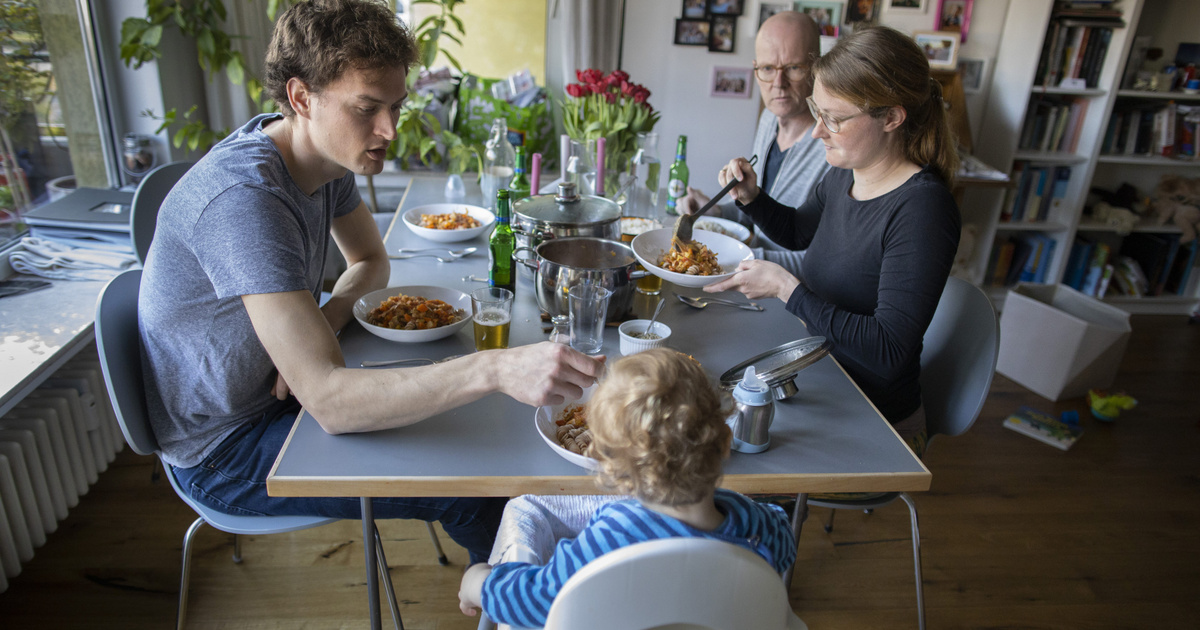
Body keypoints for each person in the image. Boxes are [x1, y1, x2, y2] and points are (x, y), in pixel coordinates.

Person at [137, 0, 603, 565]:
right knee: (479, 488)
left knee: (480, 427)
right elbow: (331, 403)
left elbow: (370, 261)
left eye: (396, 106)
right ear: (300, 98)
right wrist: (498, 367)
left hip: (286, 397)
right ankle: (539, 603)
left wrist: (326, 319)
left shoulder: (316, 159)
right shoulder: (245, 200)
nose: (389, 130)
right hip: (224, 449)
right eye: (367, 108)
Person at [701, 26, 961, 451]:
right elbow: (799, 231)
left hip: (872, 418)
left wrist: (788, 289)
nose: (819, 131)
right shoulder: (846, 172)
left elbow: (888, 350)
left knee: (722, 455)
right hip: (818, 371)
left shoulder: (923, 211)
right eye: (816, 111)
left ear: (892, 117)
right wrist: (751, 197)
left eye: (834, 119)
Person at [456, 349, 797, 627]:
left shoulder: (609, 538)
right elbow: (783, 546)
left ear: (614, 470)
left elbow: (532, 602)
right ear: (725, 442)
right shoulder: (760, 527)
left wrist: (479, 582)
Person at [681, 11, 830, 276]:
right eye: (768, 69)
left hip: (785, 294)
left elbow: (815, 264)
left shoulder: (832, 147)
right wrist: (716, 210)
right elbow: (761, 220)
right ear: (756, 67)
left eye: (793, 68)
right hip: (750, 277)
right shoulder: (768, 119)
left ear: (817, 68)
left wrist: (729, 256)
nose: (778, 84)